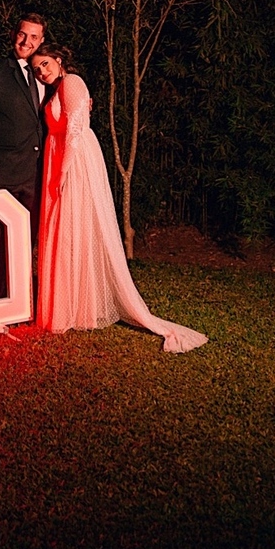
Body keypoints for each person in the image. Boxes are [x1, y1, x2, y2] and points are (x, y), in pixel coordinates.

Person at [30, 45, 208, 353]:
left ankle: (78, 307)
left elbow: (76, 130)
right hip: (59, 158)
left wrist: (63, 172)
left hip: (73, 161)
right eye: (37, 68)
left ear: (58, 60)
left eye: (45, 64)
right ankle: (73, 305)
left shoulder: (72, 81)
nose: (41, 71)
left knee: (74, 229)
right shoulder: (57, 88)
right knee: (67, 232)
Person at [0, 12, 51, 301]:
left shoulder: (46, 73)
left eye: (34, 37)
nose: (27, 42)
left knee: (26, 238)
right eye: (22, 34)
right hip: (2, 172)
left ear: (42, 40)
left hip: (36, 173)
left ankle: (17, 299)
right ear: (13, 34)